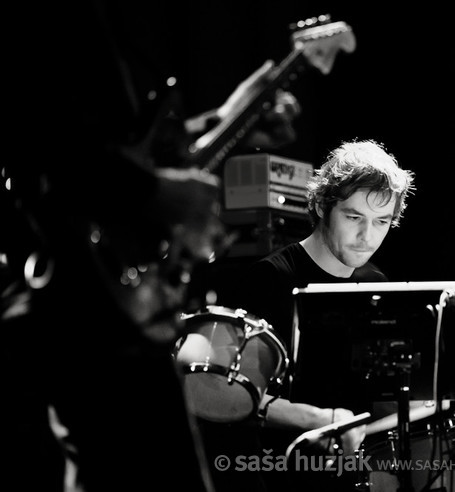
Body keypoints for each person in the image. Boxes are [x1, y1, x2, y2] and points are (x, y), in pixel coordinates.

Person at [3, 2, 300, 491]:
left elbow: (110, 149)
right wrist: (158, 193)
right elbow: (43, 147)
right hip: (81, 293)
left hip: (118, 299)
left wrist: (224, 123)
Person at [200, 139, 415, 492]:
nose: (367, 236)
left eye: (381, 222)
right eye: (354, 217)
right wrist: (319, 418)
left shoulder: (376, 283)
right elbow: (227, 393)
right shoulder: (269, 280)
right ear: (319, 205)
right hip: (282, 474)